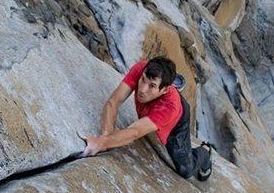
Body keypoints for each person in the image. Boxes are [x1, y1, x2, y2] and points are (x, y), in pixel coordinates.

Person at [81, 56, 213, 181]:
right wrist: (106, 136)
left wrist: (103, 143)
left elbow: (135, 132)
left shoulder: (169, 108)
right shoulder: (142, 68)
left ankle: (205, 152)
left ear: (165, 90)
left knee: (186, 170)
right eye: (143, 79)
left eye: (152, 86)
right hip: (162, 97)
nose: (142, 89)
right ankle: (167, 83)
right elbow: (113, 102)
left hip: (177, 118)